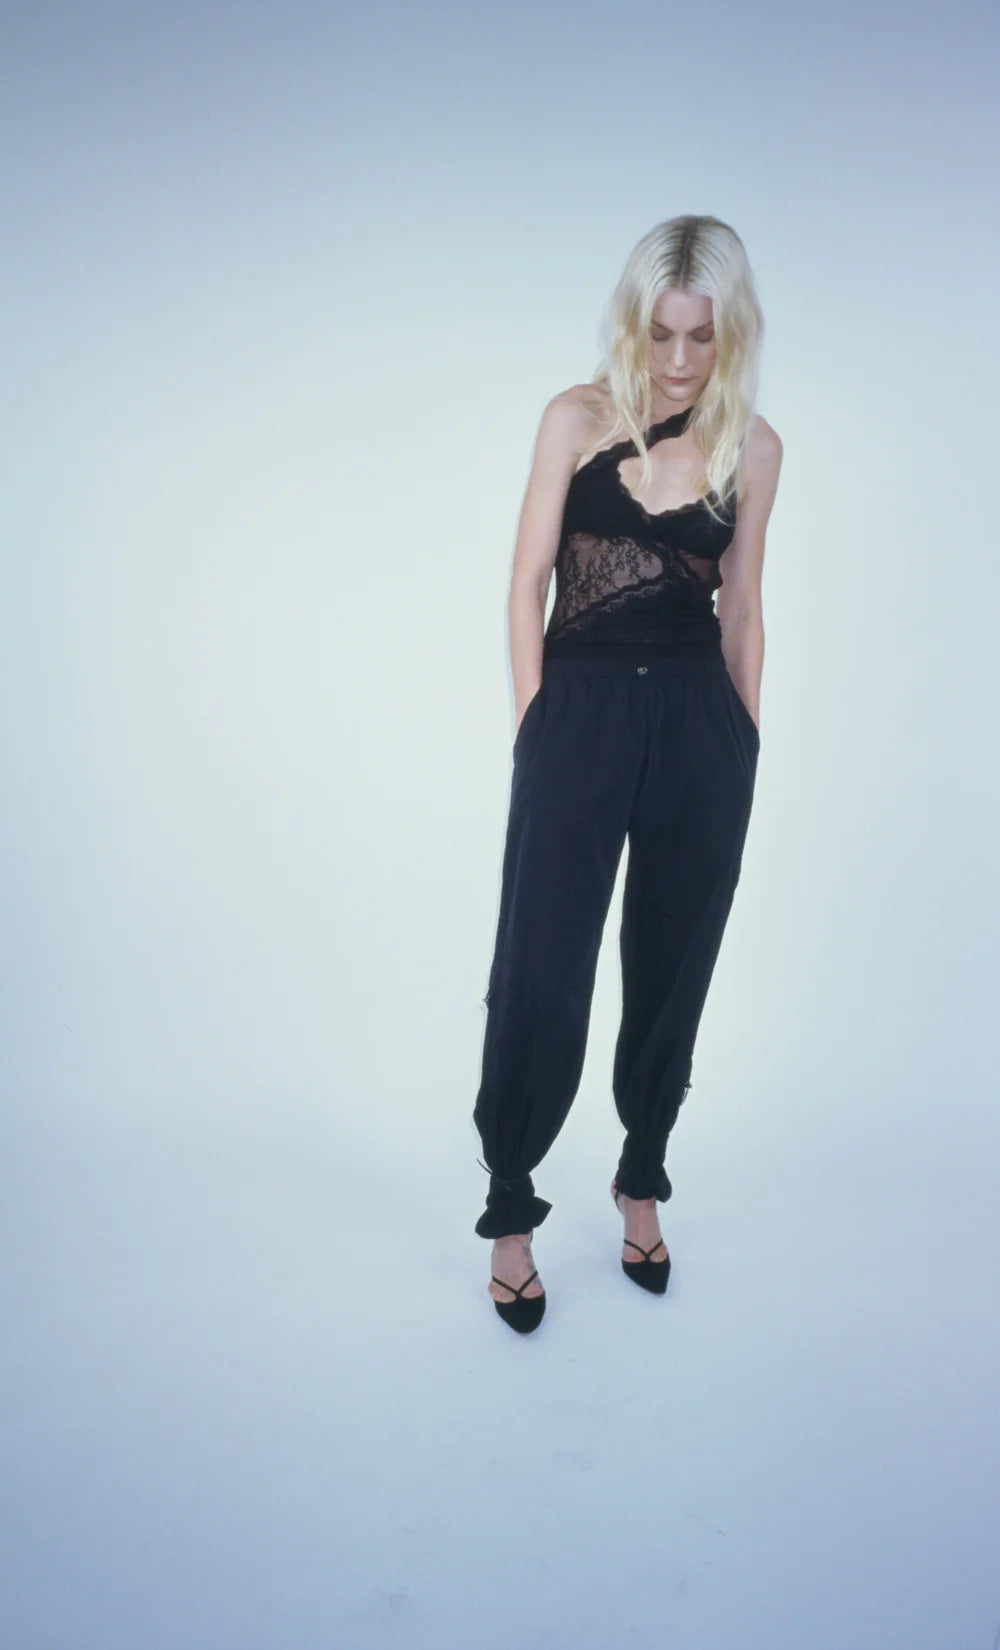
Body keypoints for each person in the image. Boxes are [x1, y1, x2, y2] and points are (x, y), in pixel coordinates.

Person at [472, 214, 783, 1332]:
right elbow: (527, 582)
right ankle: (512, 1207)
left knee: (674, 957)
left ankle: (641, 1176)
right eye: (661, 333)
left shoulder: (754, 446)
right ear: (631, 322)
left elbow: (741, 607)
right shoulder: (575, 418)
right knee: (541, 964)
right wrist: (535, 726)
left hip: (698, 720)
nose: (681, 358)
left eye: (703, 335)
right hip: (581, 711)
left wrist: (744, 741)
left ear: (730, 331)